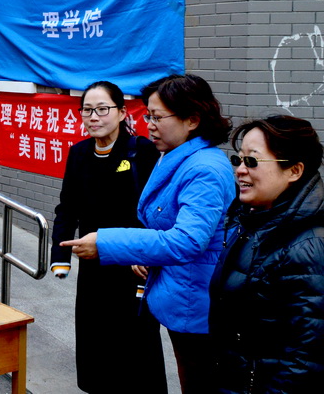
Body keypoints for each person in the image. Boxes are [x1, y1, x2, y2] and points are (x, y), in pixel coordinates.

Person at [61, 74, 236, 394]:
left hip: (192, 300)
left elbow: (187, 240)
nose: (150, 125)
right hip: (173, 287)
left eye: (157, 117)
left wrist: (107, 241)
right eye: (148, 117)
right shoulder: (176, 157)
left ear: (192, 120)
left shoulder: (203, 169)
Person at [51, 81, 165, 393]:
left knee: (136, 350)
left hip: (133, 266)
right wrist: (60, 256)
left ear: (122, 112)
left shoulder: (142, 151)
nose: (94, 117)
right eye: (87, 110)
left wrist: (147, 253)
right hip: (93, 266)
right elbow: (67, 207)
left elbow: (157, 210)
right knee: (95, 343)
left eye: (103, 109)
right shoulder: (79, 153)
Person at [209, 115, 324, 393]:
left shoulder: (308, 246)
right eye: (238, 159)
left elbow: (305, 359)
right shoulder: (251, 219)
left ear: (294, 171)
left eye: (252, 161)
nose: (240, 170)